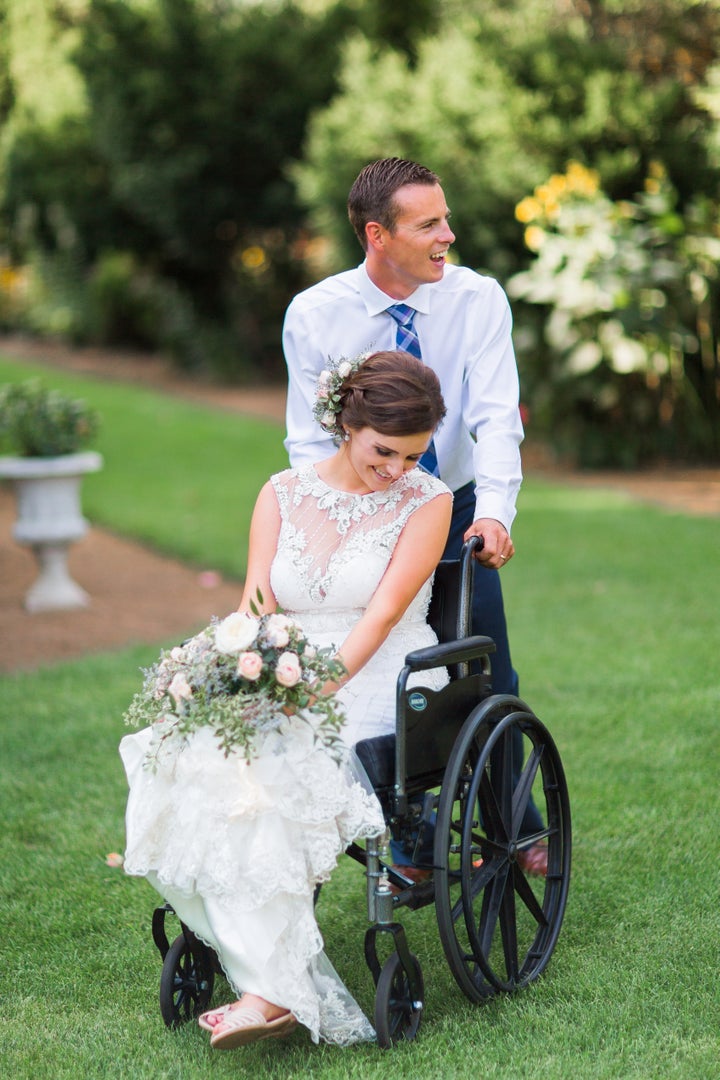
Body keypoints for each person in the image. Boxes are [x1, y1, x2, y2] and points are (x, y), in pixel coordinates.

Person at [119, 350, 453, 1049]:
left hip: (386, 668)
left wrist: (318, 686)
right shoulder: (280, 493)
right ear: (346, 423)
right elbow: (257, 604)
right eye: (384, 451)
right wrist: (245, 675)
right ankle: (263, 977)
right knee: (186, 755)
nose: (398, 469)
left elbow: (383, 614)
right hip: (288, 662)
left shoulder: (430, 501)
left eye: (414, 454)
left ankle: (267, 991)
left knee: (274, 770)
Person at [282, 157, 547, 876]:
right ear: (377, 234)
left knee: (486, 669)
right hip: (358, 513)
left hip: (455, 507)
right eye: (429, 224)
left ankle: (516, 825)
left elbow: (497, 419)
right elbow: (308, 441)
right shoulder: (315, 313)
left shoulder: (478, 300)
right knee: (383, 665)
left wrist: (493, 513)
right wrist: (335, 523)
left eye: (446, 219)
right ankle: (407, 824)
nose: (448, 236)